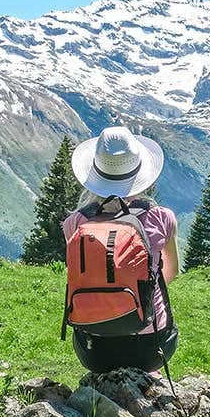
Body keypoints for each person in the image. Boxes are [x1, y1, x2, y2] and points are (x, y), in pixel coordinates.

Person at [61, 126, 179, 374]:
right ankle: (147, 380)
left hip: (94, 350)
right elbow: (171, 273)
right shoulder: (162, 218)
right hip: (151, 347)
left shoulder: (75, 223)